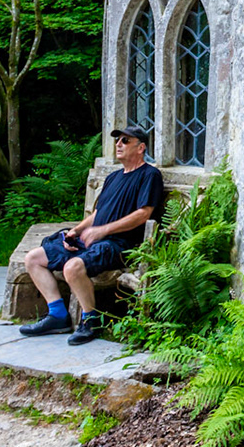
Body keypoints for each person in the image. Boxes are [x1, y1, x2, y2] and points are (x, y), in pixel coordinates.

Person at [19, 125, 166, 346]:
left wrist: (104, 230)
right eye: (117, 140)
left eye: (125, 141)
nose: (118, 144)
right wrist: (76, 231)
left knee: (72, 268)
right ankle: (58, 315)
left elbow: (143, 214)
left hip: (119, 244)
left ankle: (91, 320)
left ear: (141, 147)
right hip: (92, 240)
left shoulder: (149, 175)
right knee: (33, 259)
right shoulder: (113, 177)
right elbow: (98, 213)